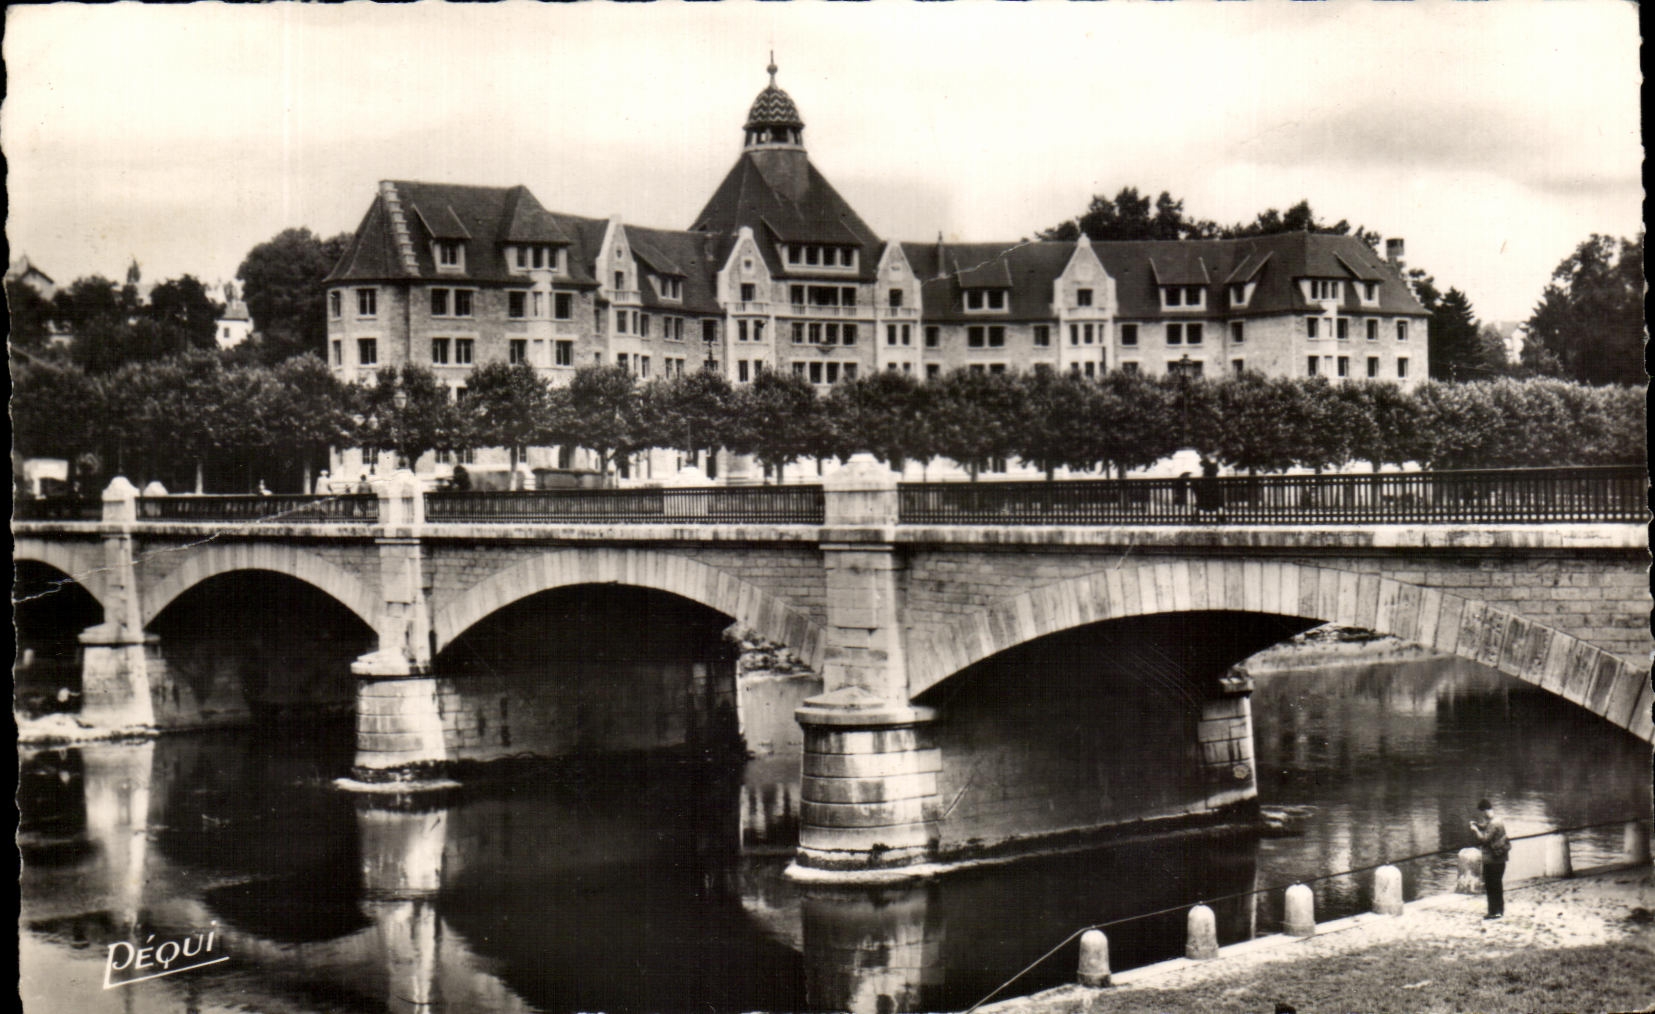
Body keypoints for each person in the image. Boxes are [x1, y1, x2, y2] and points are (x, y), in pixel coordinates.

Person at [1469, 798, 1510, 919]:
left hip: (1492, 860)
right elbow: (1487, 827)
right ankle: (1499, 911)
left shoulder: (1493, 823)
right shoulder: (1498, 820)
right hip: (1500, 859)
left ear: (1485, 811)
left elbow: (1484, 839)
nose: (1482, 816)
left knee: (1491, 886)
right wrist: (1478, 825)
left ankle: (1493, 912)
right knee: (1497, 885)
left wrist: (1475, 830)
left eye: (1482, 813)